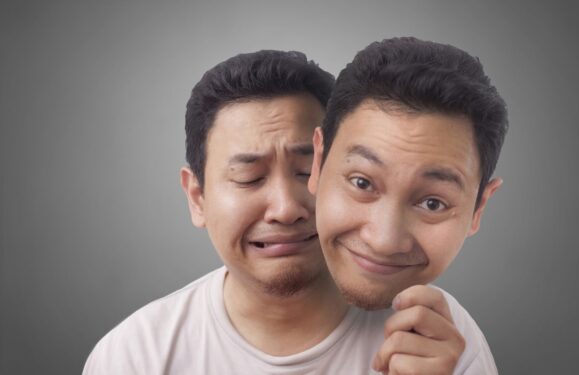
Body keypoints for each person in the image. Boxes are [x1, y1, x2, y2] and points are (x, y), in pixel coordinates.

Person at [84, 50, 381, 374]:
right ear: (198, 198)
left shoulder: (427, 332)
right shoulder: (136, 356)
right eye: (249, 177)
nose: (285, 209)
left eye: (309, 170)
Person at [308, 37, 508, 374]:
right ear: (318, 163)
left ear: (478, 209)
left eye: (432, 203)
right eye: (362, 183)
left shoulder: (457, 351)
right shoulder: (187, 325)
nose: (384, 240)